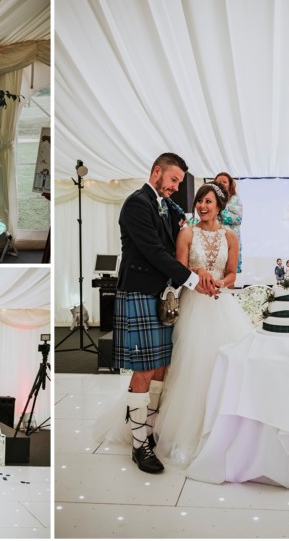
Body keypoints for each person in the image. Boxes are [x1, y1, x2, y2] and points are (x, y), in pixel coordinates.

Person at [104, 152, 218, 474]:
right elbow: (154, 252)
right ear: (157, 172)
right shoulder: (136, 204)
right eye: (172, 180)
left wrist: (186, 219)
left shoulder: (167, 206)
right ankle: (139, 446)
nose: (174, 187)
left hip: (163, 296)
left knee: (162, 368)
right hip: (139, 291)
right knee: (143, 369)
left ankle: (149, 430)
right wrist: (194, 280)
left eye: (179, 183)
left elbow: (180, 225)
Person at [152, 181, 254, 467]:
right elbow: (179, 268)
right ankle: (186, 430)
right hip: (192, 303)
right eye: (200, 201)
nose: (203, 206)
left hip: (221, 303)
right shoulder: (187, 233)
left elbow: (233, 273)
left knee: (224, 365)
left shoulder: (230, 236)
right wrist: (198, 274)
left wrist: (220, 282)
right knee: (191, 364)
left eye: (209, 202)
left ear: (219, 206)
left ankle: (223, 432)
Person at [213, 172, 244, 274]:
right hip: (214, 239)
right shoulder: (210, 198)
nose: (221, 183)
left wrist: (221, 209)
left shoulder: (235, 198)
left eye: (224, 182)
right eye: (219, 182)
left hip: (230, 240)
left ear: (230, 184)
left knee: (229, 272)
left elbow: (238, 219)